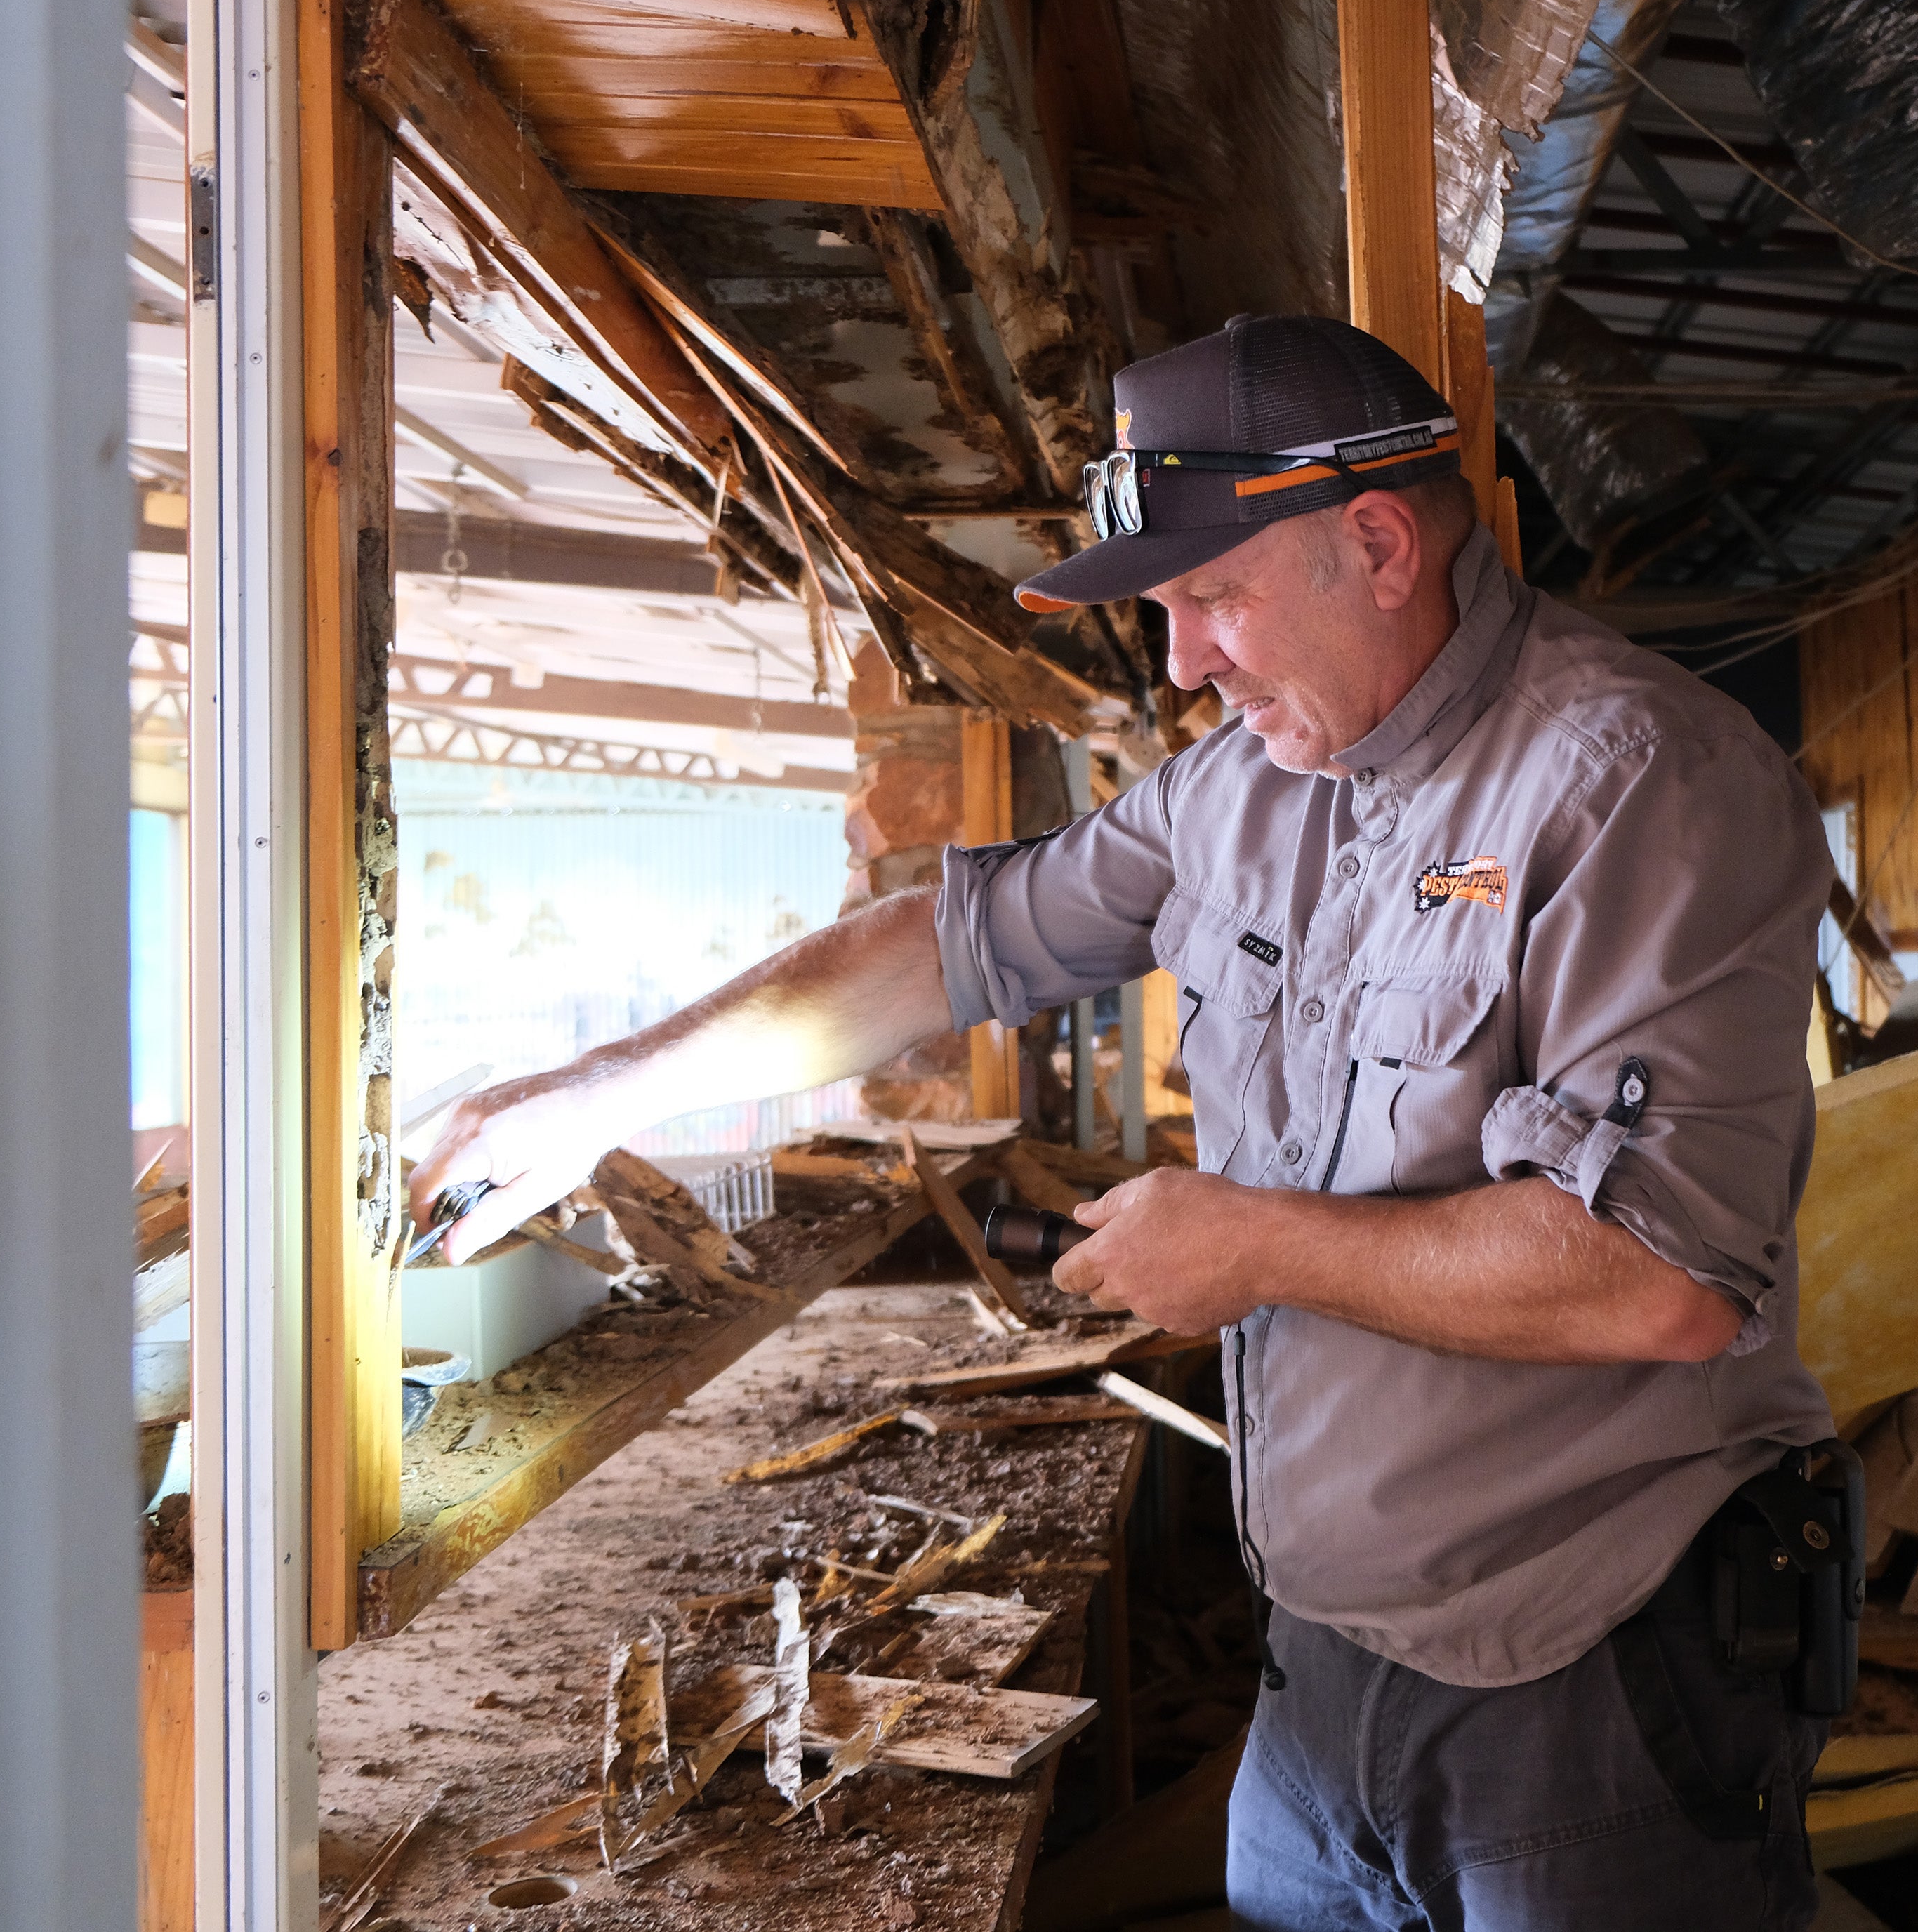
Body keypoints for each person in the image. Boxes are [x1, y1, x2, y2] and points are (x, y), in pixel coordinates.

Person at [411, 314, 1843, 1929]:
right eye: (1168, 611)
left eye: (1211, 597)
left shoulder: (1634, 777)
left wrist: (1249, 1246)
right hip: (1317, 1669)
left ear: (1375, 541)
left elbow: (1657, 1275)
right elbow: (955, 942)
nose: (1181, 664)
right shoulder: (1240, 791)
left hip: (1593, 1674)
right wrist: (597, 1090)